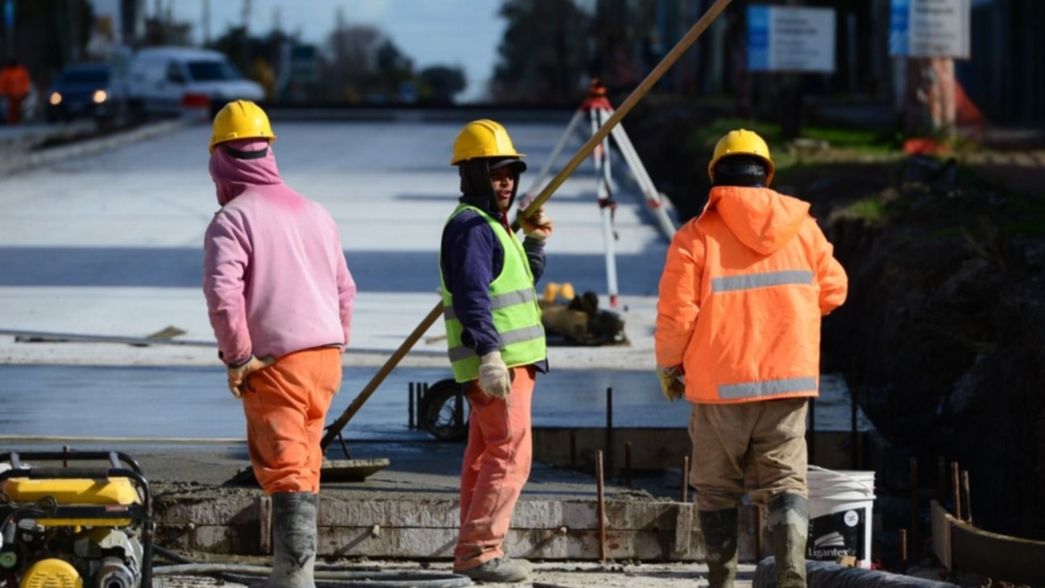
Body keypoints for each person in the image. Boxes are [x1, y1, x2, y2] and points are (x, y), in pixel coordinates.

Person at [654, 129, 847, 588]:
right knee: (785, 484)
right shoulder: (804, 227)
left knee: (717, 487)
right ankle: (790, 576)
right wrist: (793, 313)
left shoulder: (695, 236)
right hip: (788, 381)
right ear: (767, 175)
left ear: (716, 177)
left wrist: (669, 365)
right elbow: (835, 290)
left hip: (719, 387)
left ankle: (721, 581)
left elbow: (677, 313)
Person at [202, 100, 355, 588]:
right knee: (308, 464)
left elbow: (224, 296)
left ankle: (293, 579)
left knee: (286, 468)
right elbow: (345, 291)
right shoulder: (316, 212)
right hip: (326, 359)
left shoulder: (233, 220)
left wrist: (238, 357)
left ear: (220, 160)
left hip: (275, 364)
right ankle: (299, 571)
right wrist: (335, 346)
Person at [440, 119, 553, 583]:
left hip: (508, 365)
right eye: (495, 172)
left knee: (484, 457)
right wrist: (489, 354)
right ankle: (481, 552)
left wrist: (534, 242)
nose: (505, 182)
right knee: (508, 455)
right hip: (499, 366)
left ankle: (473, 548)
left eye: (510, 173)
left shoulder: (492, 226)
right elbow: (472, 297)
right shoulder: (472, 228)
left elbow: (517, 282)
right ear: (472, 175)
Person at [0, 59, 31, 125]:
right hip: (10, 96)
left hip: (20, 95)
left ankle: (19, 122)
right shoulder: (6, 72)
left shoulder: (21, 71)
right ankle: (12, 123)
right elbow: (2, 83)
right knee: (11, 110)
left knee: (20, 109)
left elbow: (26, 82)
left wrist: (26, 91)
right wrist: (3, 93)